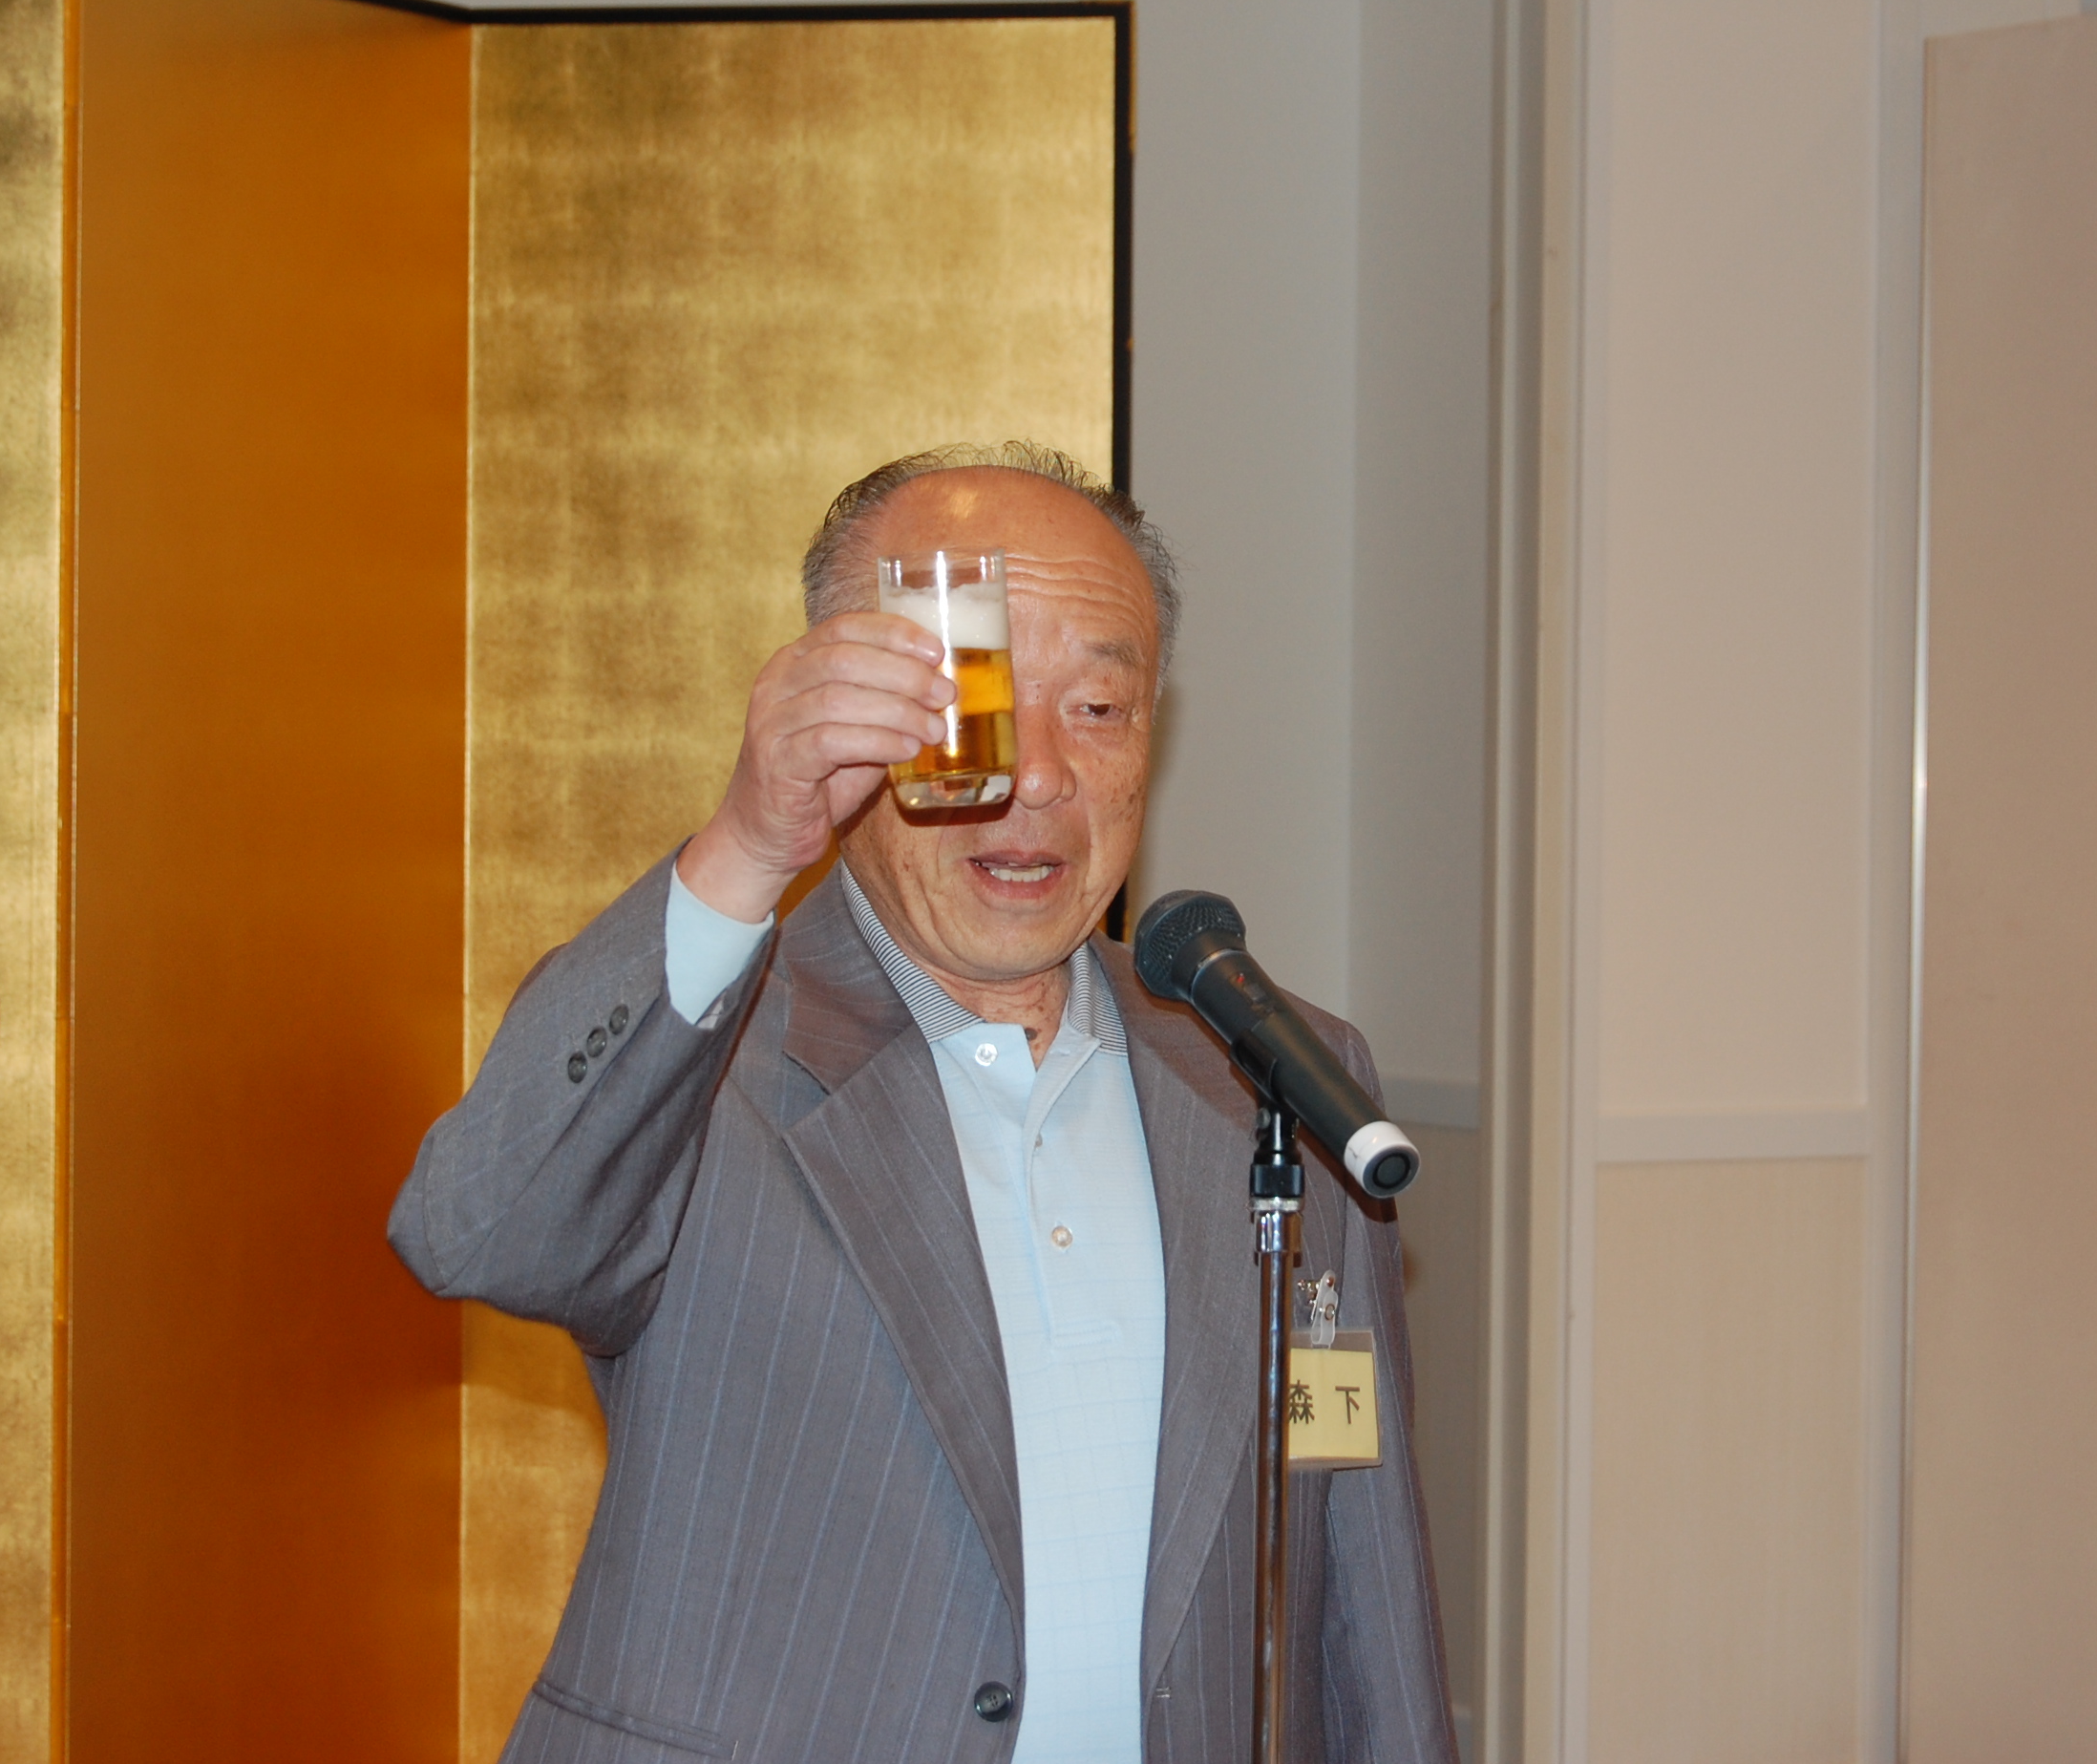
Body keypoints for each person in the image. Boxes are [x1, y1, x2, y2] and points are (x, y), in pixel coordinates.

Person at [390, 442, 1455, 1762]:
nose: (1042, 774)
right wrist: (747, 845)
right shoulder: (705, 1051)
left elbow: (1362, 1574)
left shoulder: (1264, 1073)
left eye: (1101, 708)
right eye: (977, 705)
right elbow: (480, 1233)